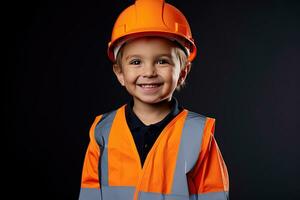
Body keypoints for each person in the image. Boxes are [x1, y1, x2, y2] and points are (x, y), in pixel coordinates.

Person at [79, 0, 229, 199]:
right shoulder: (103, 131)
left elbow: (214, 194)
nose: (149, 72)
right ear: (119, 72)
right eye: (136, 62)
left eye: (162, 61)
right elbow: (90, 192)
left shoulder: (197, 135)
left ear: (183, 71)